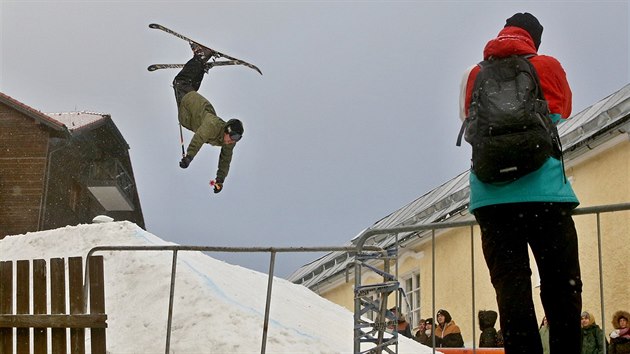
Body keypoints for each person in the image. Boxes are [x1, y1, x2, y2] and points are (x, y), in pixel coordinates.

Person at [460, 12, 582, 354]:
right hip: (545, 195)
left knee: (511, 291)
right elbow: (561, 112)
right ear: (534, 39)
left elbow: (469, 124)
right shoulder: (547, 65)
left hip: (491, 200)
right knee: (562, 287)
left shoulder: (475, 74)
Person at [172, 44, 244, 194]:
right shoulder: (212, 126)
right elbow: (199, 138)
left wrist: (220, 180)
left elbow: (225, 160)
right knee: (180, 82)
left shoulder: (228, 141)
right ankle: (200, 58)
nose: (232, 141)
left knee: (189, 84)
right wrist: (189, 157)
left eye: (236, 139)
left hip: (196, 111)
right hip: (189, 103)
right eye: (232, 137)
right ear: (227, 130)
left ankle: (201, 63)